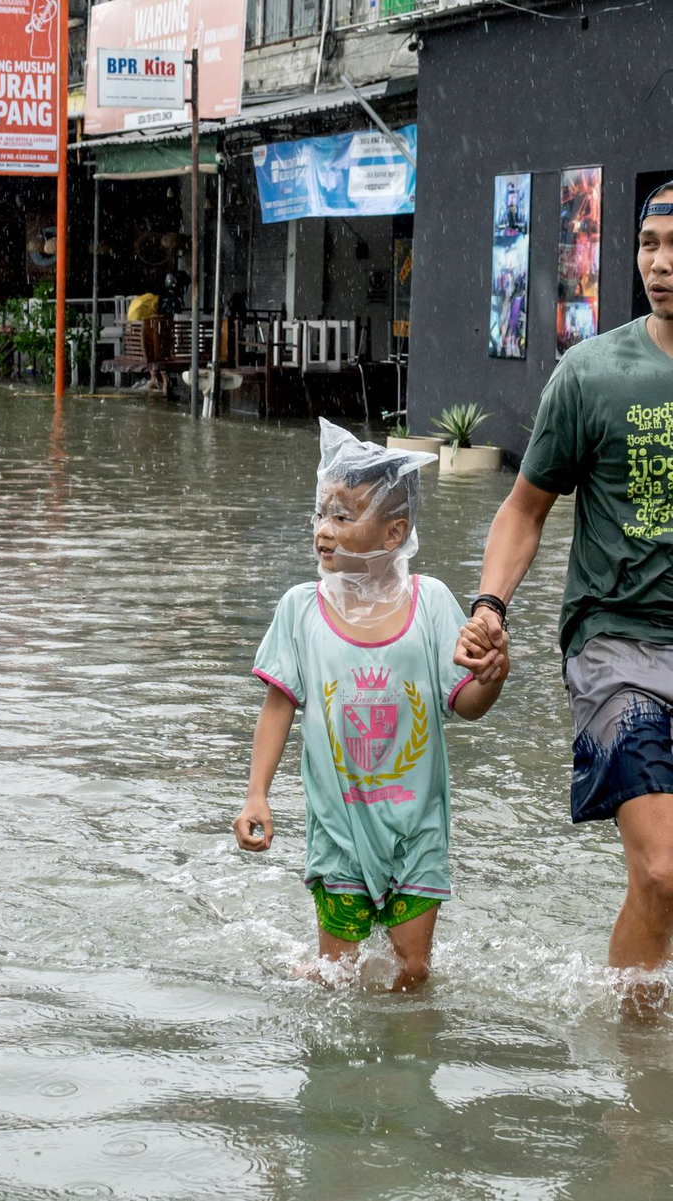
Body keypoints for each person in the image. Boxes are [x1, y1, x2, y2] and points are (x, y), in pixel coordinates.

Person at [456, 180, 673, 1012]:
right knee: (661, 867)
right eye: (650, 244)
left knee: (665, 881)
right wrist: (489, 607)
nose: (658, 262)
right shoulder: (591, 375)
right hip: (616, 645)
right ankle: (639, 1083)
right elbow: (523, 509)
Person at [233, 420, 508, 990]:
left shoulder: (430, 604)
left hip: (417, 827)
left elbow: (466, 703)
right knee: (337, 979)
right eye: (321, 513)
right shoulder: (300, 609)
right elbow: (278, 706)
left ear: (393, 533)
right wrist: (256, 794)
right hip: (338, 829)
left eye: (343, 515)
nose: (323, 531)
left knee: (413, 972)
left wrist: (493, 675)